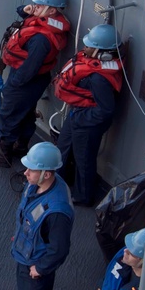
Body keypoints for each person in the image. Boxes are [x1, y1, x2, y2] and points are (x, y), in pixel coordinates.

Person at [0, 141, 74, 290]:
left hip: (36, 264)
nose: (25, 173)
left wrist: (40, 268)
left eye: (31, 170)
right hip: (26, 253)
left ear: (47, 174)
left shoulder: (57, 210)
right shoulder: (37, 184)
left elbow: (59, 249)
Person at [0, 0, 70, 167]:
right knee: (26, 111)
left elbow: (29, 69)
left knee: (9, 113)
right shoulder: (49, 23)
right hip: (35, 79)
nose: (35, 7)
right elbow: (28, 15)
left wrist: (13, 86)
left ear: (51, 11)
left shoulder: (41, 40)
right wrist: (25, 10)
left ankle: (3, 154)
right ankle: (21, 146)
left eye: (40, 5)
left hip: (26, 80)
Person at [54, 23, 123, 206]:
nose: (84, 48)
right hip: (78, 114)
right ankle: (57, 181)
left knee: (84, 159)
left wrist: (80, 119)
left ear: (102, 53)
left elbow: (105, 110)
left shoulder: (99, 79)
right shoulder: (96, 68)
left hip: (87, 123)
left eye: (89, 46)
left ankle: (83, 196)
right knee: (63, 146)